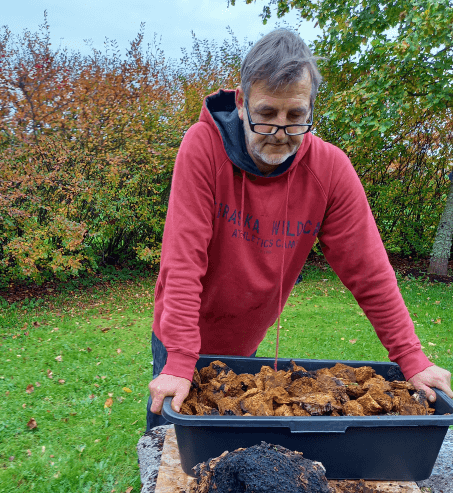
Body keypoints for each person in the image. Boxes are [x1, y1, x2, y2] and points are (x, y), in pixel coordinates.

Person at [146, 28, 452, 431]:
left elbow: (370, 271)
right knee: (171, 441)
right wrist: (181, 360)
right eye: (267, 115)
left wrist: (412, 358)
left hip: (245, 337)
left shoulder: (330, 169)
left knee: (228, 447)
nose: (280, 133)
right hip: (181, 332)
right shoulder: (202, 148)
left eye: (295, 117)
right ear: (241, 103)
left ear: (310, 109)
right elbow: (183, 263)